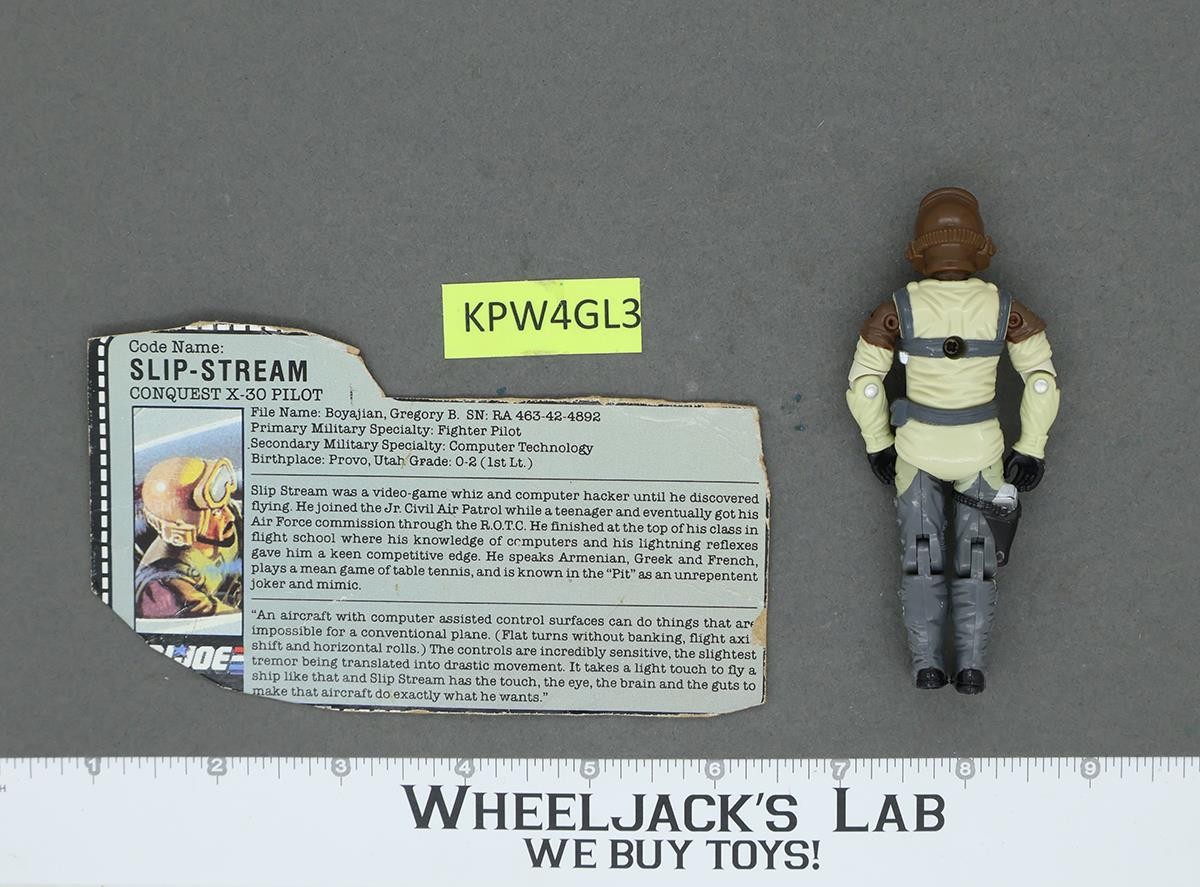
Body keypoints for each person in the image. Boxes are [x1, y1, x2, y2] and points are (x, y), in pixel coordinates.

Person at [845, 188, 1060, 694]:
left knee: (921, 558)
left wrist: (878, 441)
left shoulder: (898, 308)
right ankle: (970, 668)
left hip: (916, 450)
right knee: (978, 563)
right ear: (979, 248)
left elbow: (867, 384)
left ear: (920, 251)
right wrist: (1031, 446)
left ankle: (927, 665)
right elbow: (1041, 381)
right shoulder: (1004, 308)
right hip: (981, 451)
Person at [135, 456, 243, 618]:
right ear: (185, 527)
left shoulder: (228, 518)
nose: (229, 516)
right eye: (216, 512)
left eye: (223, 506)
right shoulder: (163, 587)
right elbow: (228, 623)